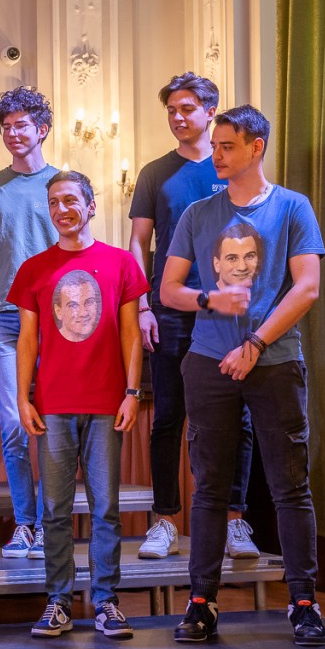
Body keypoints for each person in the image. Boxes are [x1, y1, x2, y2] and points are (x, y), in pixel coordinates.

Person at [162, 105, 325, 646]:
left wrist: (255, 343)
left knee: (290, 487)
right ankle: (201, 603)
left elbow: (307, 287)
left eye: (227, 146)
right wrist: (209, 299)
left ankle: (303, 603)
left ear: (257, 148)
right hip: (208, 363)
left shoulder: (292, 207)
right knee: (210, 488)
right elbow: (169, 290)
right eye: (215, 146)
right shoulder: (197, 214)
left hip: (275, 363)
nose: (216, 155)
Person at [10, 170, 148, 641]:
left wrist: (132, 392)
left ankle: (106, 602)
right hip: (53, 406)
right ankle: (58, 601)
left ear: (90, 206)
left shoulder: (121, 263)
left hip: (107, 403)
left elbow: (131, 334)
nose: (62, 209)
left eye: (70, 200)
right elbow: (27, 340)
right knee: (54, 509)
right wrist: (23, 397)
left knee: (106, 508)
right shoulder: (33, 269)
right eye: (54, 202)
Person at [128, 73, 258, 561]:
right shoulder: (155, 173)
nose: (178, 118)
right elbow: (139, 243)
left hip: (230, 314)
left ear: (210, 110)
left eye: (187, 109)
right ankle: (164, 521)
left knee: (236, 417)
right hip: (172, 309)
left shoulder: (233, 168)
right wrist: (143, 304)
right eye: (172, 111)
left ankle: (235, 522)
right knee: (168, 417)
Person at [0, 86, 59, 558]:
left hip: (55, 317)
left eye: (21, 125)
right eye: (5, 127)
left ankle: (50, 525)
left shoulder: (63, 183)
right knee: (13, 424)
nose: (12, 133)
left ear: (42, 129)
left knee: (55, 424)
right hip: (3, 317)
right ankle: (25, 523)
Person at [213, 223, 261, 289]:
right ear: (217, 264)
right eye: (232, 258)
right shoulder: (203, 294)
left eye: (249, 257)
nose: (242, 267)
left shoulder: (268, 292)